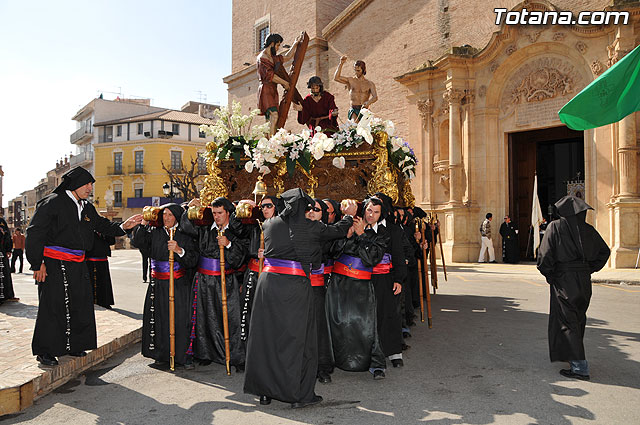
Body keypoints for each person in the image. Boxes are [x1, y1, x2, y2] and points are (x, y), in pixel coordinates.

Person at [244, 188, 355, 408]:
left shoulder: (269, 224)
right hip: (296, 287)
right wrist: (349, 215)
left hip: (268, 286)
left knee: (267, 337)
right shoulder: (311, 227)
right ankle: (298, 395)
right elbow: (339, 230)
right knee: (300, 341)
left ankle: (265, 392)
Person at [26, 166, 142, 366]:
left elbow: (102, 226)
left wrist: (124, 226)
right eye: (87, 184)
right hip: (54, 263)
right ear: (75, 184)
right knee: (53, 307)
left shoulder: (86, 207)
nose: (90, 188)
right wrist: (37, 264)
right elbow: (35, 233)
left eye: (91, 184)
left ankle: (74, 345)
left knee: (80, 304)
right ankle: (46, 351)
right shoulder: (52, 203)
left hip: (79, 264)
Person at [537, 196, 610, 381]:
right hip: (583, 280)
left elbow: (544, 256)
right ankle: (572, 358)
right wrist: (589, 268)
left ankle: (579, 367)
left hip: (563, 279)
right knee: (577, 319)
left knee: (567, 322)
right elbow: (605, 252)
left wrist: (550, 275)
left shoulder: (555, 227)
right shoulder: (589, 230)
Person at [181, 197, 247, 370]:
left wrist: (229, 244)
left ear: (228, 213)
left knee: (230, 318)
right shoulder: (204, 229)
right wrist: (190, 209)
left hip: (225, 281)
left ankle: (234, 356)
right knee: (203, 318)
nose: (216, 217)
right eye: (214, 213)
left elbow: (238, 260)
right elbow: (186, 228)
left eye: (220, 213)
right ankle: (205, 353)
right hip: (203, 280)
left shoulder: (236, 232)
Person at [326, 196, 388, 379]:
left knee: (364, 325)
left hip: (361, 284)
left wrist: (362, 235)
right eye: (369, 210)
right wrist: (347, 235)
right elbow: (332, 251)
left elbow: (371, 259)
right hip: (338, 283)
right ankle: (333, 360)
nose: (372, 215)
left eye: (376, 212)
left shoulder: (382, 234)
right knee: (337, 322)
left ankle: (374, 363)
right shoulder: (348, 224)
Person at [131, 204, 199, 369]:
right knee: (158, 318)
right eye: (164, 215)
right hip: (157, 284)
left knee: (180, 319)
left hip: (178, 284)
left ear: (177, 216)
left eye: (170, 215)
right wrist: (143, 224)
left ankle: (182, 355)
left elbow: (192, 260)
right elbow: (138, 243)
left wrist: (179, 250)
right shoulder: (154, 232)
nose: (166, 218)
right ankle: (160, 354)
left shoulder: (185, 234)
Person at [373, 192, 406, 368]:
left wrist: (399, 279)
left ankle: (394, 353)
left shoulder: (393, 229)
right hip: (367, 279)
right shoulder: (365, 226)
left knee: (390, 315)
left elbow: (399, 257)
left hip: (388, 278)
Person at [239, 196, 278, 343]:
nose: (265, 209)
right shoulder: (254, 225)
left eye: (269, 206)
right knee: (247, 311)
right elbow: (236, 229)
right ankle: (247, 350)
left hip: (272, 274)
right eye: (263, 207)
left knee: (269, 313)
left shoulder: (282, 226)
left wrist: (270, 254)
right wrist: (244, 206)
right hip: (253, 274)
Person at [257, 32, 303, 136]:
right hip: (266, 89)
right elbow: (270, 75)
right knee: (274, 115)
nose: (278, 48)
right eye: (277, 45)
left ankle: (268, 140)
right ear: (272, 44)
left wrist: (295, 44)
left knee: (270, 118)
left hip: (273, 90)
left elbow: (287, 57)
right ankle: (272, 142)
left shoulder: (273, 58)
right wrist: (284, 82)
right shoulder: (262, 58)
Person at [334, 56, 378, 122]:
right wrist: (341, 63)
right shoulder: (351, 80)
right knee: (355, 127)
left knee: (368, 130)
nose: (356, 72)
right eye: (355, 70)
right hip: (354, 109)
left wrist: (368, 102)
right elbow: (336, 78)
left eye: (358, 70)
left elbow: (375, 97)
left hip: (365, 109)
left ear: (364, 70)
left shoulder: (370, 84)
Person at [86, 232, 116, 309]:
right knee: (94, 282)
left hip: (103, 260)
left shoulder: (104, 229)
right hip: (91, 260)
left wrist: (106, 232)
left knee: (104, 282)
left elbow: (111, 242)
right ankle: (94, 302)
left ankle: (105, 302)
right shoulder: (89, 227)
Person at [0, 217, 17, 304]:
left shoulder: (2, 221)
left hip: (2, 252)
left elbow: (7, 236)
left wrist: (8, 249)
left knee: (4, 273)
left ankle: (7, 295)